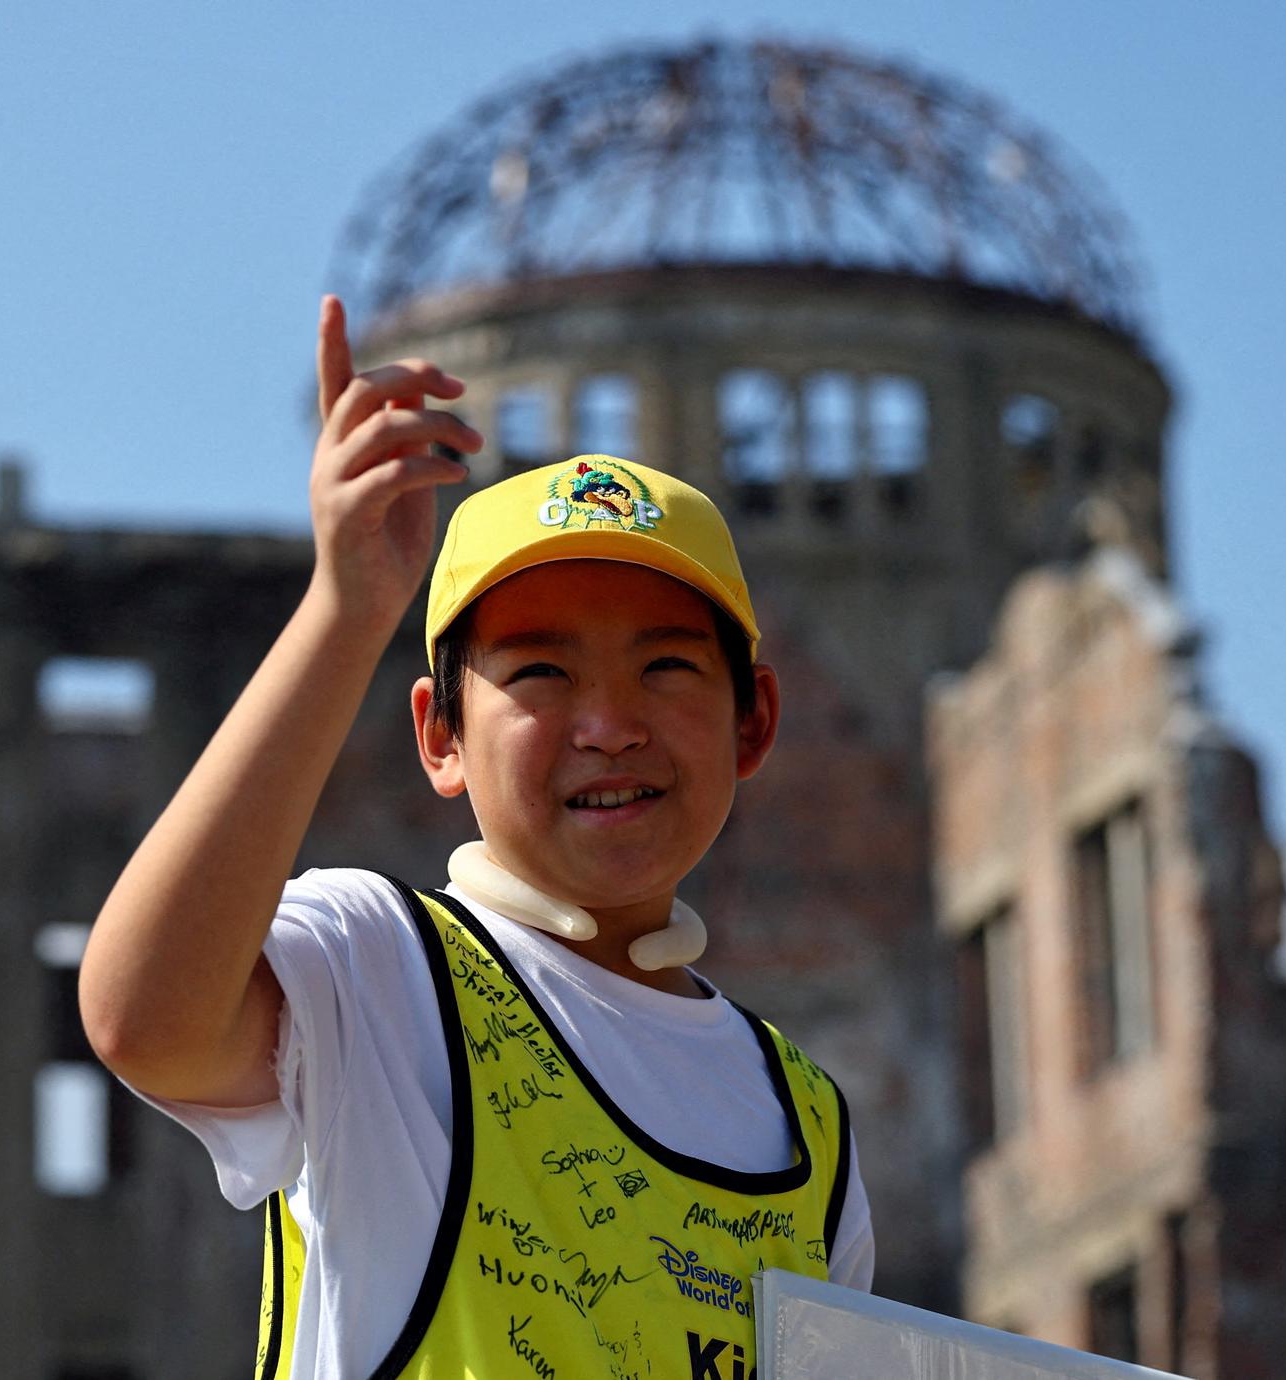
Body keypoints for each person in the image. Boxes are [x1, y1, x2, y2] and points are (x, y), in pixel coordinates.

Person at [79, 297, 872, 1380]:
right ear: (439, 738)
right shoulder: (379, 970)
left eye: (667, 668)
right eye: (541, 673)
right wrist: (346, 610)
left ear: (755, 722)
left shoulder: (807, 1128)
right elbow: (143, 1018)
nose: (611, 726)